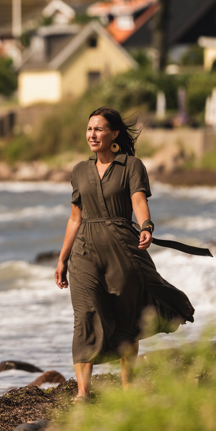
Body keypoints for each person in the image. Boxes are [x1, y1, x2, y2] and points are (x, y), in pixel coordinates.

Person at [53, 106, 195, 401]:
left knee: (125, 316)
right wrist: (62, 258)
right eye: (90, 129)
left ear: (114, 134)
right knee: (85, 315)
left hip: (122, 248)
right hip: (84, 251)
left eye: (99, 129)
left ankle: (128, 384)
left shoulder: (131, 165)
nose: (92, 134)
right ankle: (83, 392)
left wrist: (146, 224)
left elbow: (138, 200)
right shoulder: (79, 170)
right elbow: (74, 218)